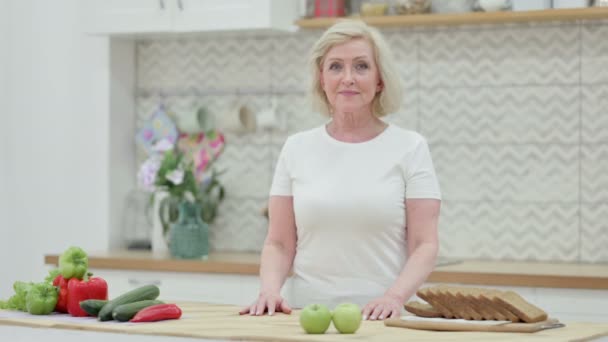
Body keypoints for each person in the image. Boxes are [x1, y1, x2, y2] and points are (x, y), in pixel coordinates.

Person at [239, 20, 441, 321]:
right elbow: (279, 243)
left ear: (380, 80)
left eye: (361, 66)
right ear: (322, 79)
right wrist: (269, 291)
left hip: (384, 320)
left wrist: (394, 297)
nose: (348, 78)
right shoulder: (296, 148)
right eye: (335, 67)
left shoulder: (410, 147)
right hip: (306, 317)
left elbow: (424, 244)